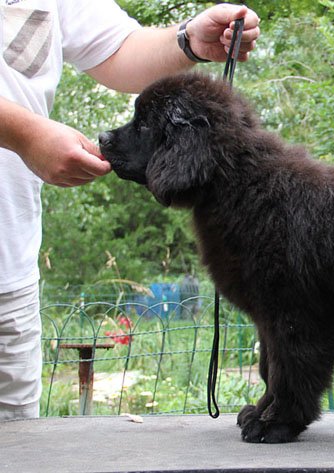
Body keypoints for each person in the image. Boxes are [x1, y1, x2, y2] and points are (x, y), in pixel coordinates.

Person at [0, 0, 260, 421]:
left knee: (16, 446)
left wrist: (189, 40)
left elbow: (117, 47)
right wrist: (25, 133)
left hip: (10, 277)